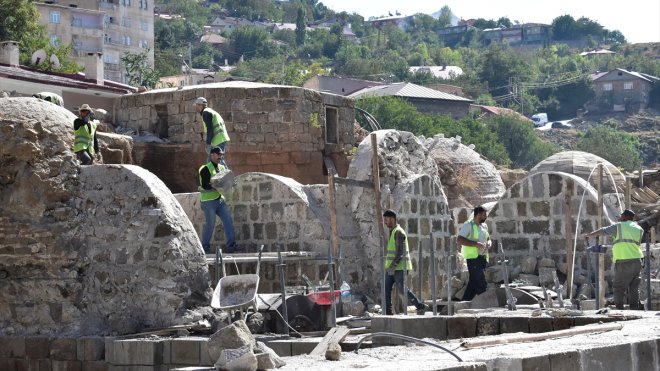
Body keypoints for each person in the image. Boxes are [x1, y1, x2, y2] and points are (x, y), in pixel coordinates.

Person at [585, 209, 644, 309]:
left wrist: (590, 235)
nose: (620, 217)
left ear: (625, 217)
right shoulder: (639, 229)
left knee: (618, 287)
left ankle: (619, 310)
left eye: (621, 216)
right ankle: (635, 309)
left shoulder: (619, 226)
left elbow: (603, 230)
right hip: (637, 260)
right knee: (634, 287)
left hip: (624, 260)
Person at [383, 209, 427, 315]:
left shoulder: (398, 232)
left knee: (402, 289)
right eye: (384, 219)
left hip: (400, 267)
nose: (385, 222)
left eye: (386, 219)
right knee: (386, 288)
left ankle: (420, 306)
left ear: (392, 219)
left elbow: (400, 252)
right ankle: (388, 312)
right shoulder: (392, 231)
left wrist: (393, 266)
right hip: (392, 267)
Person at [199, 146, 237, 254]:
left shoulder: (222, 168)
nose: (220, 156)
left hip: (220, 200)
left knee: (228, 220)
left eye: (221, 155)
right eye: (218, 154)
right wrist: (216, 185)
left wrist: (230, 183)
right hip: (208, 201)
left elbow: (226, 182)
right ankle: (205, 248)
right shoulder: (205, 169)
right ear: (212, 155)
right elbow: (205, 185)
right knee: (210, 224)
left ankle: (231, 246)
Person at [457, 205, 491, 301]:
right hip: (473, 259)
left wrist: (489, 243)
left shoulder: (484, 226)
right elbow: (459, 240)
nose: (486, 217)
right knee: (481, 283)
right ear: (478, 215)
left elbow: (488, 239)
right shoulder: (468, 225)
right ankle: (485, 305)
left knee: (472, 284)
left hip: (483, 258)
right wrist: (476, 244)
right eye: (484, 215)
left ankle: (463, 304)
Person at [195, 97, 230, 167]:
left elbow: (210, 129)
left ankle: (227, 177)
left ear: (200, 105)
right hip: (220, 139)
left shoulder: (206, 113)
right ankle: (211, 177)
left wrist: (208, 143)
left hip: (218, 140)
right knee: (210, 162)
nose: (196, 107)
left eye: (196, 105)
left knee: (219, 160)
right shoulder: (210, 111)